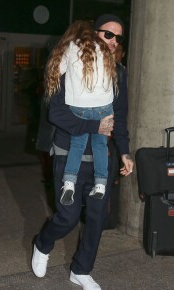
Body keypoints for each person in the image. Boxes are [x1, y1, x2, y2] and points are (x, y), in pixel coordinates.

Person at [31, 14, 134, 290]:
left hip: (103, 157)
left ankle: (81, 270)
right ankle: (43, 242)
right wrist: (94, 125)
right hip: (69, 154)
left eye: (118, 37)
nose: (113, 41)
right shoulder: (74, 64)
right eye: (108, 34)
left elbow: (120, 118)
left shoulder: (119, 73)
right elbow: (57, 113)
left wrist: (125, 152)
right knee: (67, 217)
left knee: (97, 219)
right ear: (93, 34)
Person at [59, 20, 117, 205]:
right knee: (101, 145)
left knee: (77, 145)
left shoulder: (70, 47)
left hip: (79, 106)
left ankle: (69, 183)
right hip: (104, 107)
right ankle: (100, 184)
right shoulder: (104, 49)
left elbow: (60, 70)